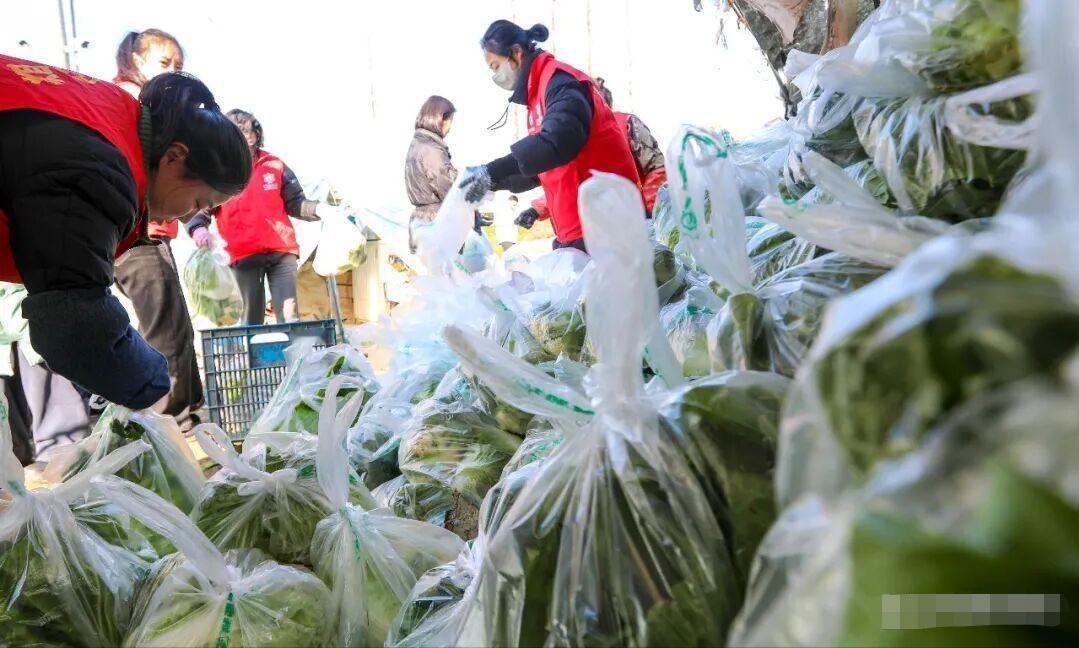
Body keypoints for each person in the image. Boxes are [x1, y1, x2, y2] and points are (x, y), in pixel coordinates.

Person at [0, 55, 251, 420]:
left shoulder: (109, 115)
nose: (185, 217)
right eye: (198, 202)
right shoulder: (100, 171)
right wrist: (152, 383)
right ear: (175, 157)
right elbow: (73, 328)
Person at [458, 20, 641, 252]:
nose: (495, 76)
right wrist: (492, 182)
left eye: (496, 66)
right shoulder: (536, 98)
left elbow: (558, 142)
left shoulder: (561, 82)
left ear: (516, 52)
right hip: (578, 231)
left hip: (609, 226)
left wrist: (492, 170)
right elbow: (542, 169)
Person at [111, 28, 206, 430]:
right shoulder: (131, 103)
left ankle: (187, 417)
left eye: (178, 67)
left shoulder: (146, 105)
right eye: (164, 64)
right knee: (165, 334)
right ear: (134, 61)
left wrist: (194, 220)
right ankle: (172, 424)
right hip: (138, 235)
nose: (173, 74)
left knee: (176, 328)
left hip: (152, 234)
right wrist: (194, 217)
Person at [188, 109, 339, 325]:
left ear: (256, 137)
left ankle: (291, 357)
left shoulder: (274, 165)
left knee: (289, 316)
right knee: (251, 319)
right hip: (242, 255)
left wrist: (320, 209)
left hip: (281, 251)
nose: (246, 140)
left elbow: (295, 202)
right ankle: (255, 358)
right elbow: (201, 207)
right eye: (238, 136)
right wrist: (198, 228)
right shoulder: (220, 172)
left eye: (250, 134)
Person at [405, 95, 458, 252]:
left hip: (423, 221)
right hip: (436, 222)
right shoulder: (431, 150)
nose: (450, 128)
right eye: (450, 121)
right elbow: (449, 189)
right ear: (440, 119)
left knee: (432, 275)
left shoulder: (418, 145)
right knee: (447, 274)